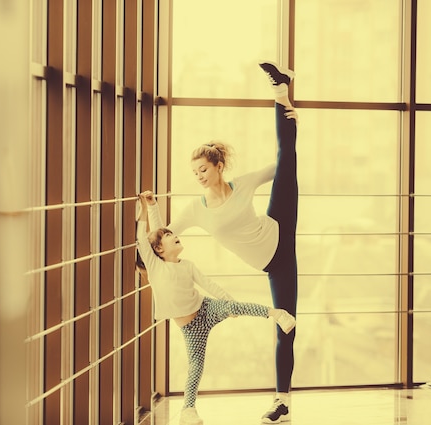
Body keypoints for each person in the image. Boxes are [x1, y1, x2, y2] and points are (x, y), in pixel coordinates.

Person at [145, 61, 299, 424]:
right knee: (286, 322)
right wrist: (151, 209)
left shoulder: (243, 184)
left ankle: (281, 92)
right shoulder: (196, 210)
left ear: (217, 167)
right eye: (194, 172)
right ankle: (283, 401)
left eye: (203, 169)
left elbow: (279, 166)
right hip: (275, 263)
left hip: (280, 225)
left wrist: (293, 131)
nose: (198, 176)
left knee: (287, 157)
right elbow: (162, 235)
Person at [136, 192, 296, 425]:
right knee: (196, 366)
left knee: (235, 306)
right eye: (169, 237)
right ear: (159, 250)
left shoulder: (187, 265)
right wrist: (148, 207)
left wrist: (228, 302)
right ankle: (188, 411)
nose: (174, 235)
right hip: (191, 328)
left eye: (174, 233)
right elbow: (146, 238)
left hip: (205, 308)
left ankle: (277, 314)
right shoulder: (155, 268)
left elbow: (208, 285)